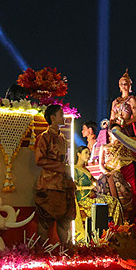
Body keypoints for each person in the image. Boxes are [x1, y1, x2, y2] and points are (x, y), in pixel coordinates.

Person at [34, 104, 76, 247]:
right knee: (45, 221)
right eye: (61, 115)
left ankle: (66, 251)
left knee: (65, 221)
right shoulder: (44, 137)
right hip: (49, 184)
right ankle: (42, 252)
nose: (63, 117)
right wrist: (61, 167)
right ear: (52, 118)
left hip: (63, 184)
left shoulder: (62, 138)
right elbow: (39, 160)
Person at [73, 145, 97, 242]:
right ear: (78, 154)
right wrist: (89, 187)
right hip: (83, 199)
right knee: (110, 203)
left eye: (89, 153)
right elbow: (75, 187)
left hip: (92, 196)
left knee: (114, 201)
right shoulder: (74, 169)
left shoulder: (86, 170)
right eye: (86, 153)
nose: (88, 155)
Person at [110, 70, 136, 138]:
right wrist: (110, 124)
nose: (123, 86)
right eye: (121, 84)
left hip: (126, 128)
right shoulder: (115, 101)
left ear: (129, 85)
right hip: (115, 127)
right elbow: (112, 118)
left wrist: (125, 123)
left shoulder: (131, 100)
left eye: (125, 84)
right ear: (119, 86)